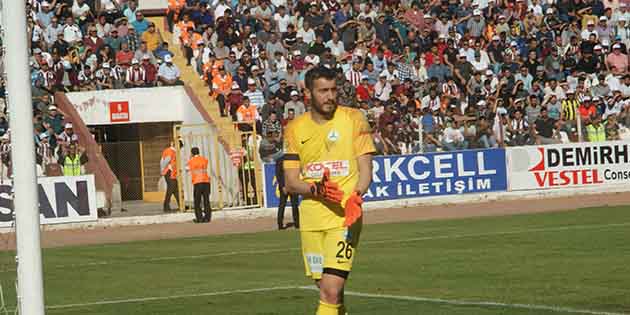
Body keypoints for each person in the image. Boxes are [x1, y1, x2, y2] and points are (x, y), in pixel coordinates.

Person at [283, 67, 375, 315]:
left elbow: (366, 168)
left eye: (333, 90)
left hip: (345, 217)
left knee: (331, 291)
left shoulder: (354, 118)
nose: (330, 96)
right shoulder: (294, 128)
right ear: (308, 93)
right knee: (329, 292)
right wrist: (318, 190)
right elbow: (291, 181)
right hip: (311, 220)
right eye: (323, 91)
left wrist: (357, 195)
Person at [187, 147, 211, 223]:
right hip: (206, 182)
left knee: (197, 202)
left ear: (192, 153)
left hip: (197, 183)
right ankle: (207, 218)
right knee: (206, 200)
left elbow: (186, 169)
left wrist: (190, 159)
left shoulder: (191, 161)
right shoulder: (204, 159)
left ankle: (199, 218)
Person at [276, 154, 299, 230]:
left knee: (294, 205)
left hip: (293, 185)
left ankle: (297, 223)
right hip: (286, 186)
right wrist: (283, 186)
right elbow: (278, 174)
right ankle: (280, 224)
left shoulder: (294, 158)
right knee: (282, 205)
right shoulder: (280, 159)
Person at [160, 142, 180, 212]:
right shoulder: (170, 151)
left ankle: (181, 205)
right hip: (169, 172)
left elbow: (162, 161)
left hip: (171, 173)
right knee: (171, 190)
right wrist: (163, 170)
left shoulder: (170, 151)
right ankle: (166, 206)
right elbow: (165, 161)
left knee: (176, 190)